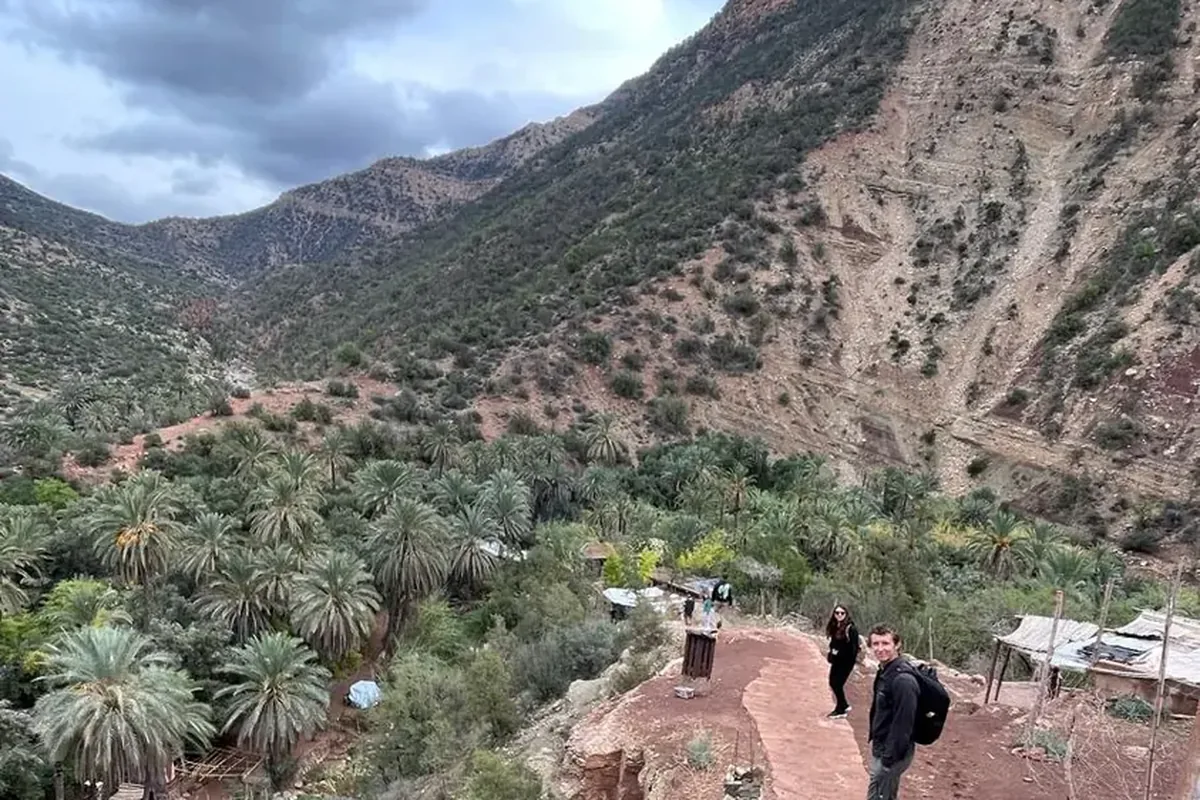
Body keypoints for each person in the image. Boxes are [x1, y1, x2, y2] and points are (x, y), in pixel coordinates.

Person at [866, 624, 920, 800]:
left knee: (877, 795)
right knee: (885, 794)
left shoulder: (903, 680)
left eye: (885, 643)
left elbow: (904, 723)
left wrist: (888, 760)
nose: (880, 649)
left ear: (897, 644)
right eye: (876, 644)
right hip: (882, 746)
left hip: (892, 752)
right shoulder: (885, 671)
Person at [825, 605, 860, 718]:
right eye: (837, 613)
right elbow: (834, 643)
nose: (839, 615)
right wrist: (831, 654)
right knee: (832, 682)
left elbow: (853, 649)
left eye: (842, 613)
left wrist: (840, 654)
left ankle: (841, 709)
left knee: (837, 683)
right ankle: (843, 705)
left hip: (846, 662)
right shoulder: (835, 626)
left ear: (846, 614)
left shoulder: (851, 629)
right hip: (837, 660)